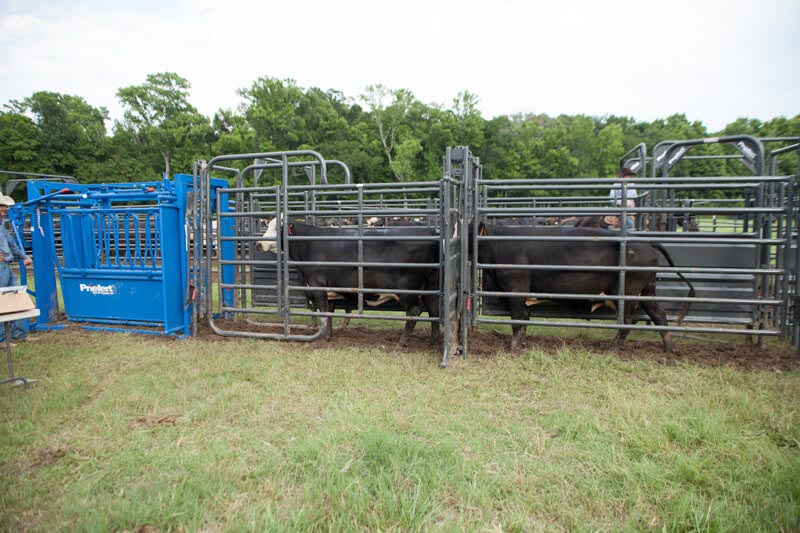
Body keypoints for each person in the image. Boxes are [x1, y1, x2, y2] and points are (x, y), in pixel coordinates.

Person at [0, 194, 34, 343]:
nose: (5, 209)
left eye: (5, 206)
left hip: (5, 267)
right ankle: (2, 339)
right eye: (2, 206)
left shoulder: (1, 225)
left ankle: (18, 334)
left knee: (17, 296)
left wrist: (23, 256)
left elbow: (11, 243)